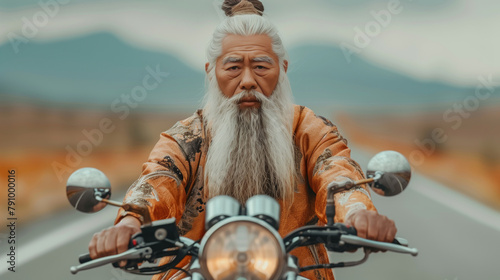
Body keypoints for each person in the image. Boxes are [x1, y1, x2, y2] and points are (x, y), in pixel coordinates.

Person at [88, 1, 397, 279]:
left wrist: (358, 213)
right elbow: (159, 177)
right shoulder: (188, 137)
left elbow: (337, 171)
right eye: (234, 67)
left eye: (261, 66)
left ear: (283, 69)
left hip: (295, 270)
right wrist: (129, 223)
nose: (248, 81)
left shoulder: (308, 130)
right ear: (211, 71)